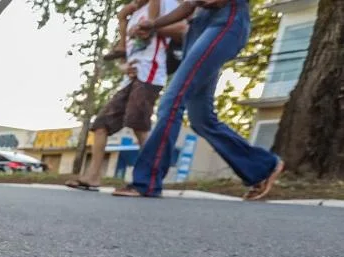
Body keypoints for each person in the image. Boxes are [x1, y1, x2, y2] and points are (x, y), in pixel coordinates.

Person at [113, 0, 283, 200]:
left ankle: (146, 181)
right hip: (198, 26)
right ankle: (262, 167)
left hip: (226, 19)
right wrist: (154, 24)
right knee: (201, 118)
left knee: (172, 100)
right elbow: (189, 5)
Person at [66, 0, 185, 191]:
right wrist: (124, 66)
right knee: (101, 125)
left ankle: (149, 178)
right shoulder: (134, 14)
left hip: (150, 73)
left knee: (139, 123)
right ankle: (93, 176)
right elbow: (124, 51)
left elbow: (182, 29)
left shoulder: (166, 3)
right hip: (130, 78)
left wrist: (152, 28)